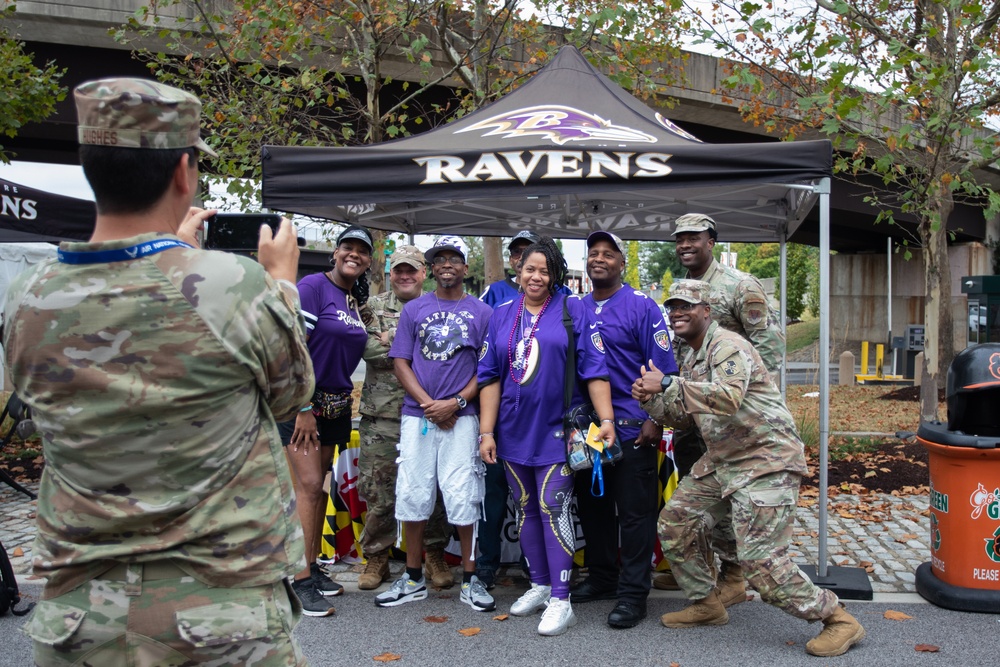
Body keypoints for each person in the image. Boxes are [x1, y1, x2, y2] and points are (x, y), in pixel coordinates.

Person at [4, 78, 313, 665]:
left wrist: (161, 255)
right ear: (183, 171)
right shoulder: (231, 286)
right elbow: (286, 395)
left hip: (80, 620)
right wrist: (282, 287)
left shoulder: (28, 297)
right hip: (219, 616)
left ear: (91, 165)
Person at [632, 280, 865, 658]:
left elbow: (727, 397)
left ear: (707, 311)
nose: (678, 312)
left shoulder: (728, 346)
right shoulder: (690, 356)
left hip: (766, 459)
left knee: (762, 564)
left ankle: (837, 619)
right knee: (675, 522)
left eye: (687, 306)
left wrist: (671, 382)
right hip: (725, 459)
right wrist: (651, 401)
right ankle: (706, 604)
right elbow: (685, 418)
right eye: (673, 306)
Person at [478, 236, 615, 636]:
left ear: (555, 274)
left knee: (553, 506)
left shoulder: (573, 310)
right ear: (517, 272)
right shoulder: (501, 314)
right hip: (512, 431)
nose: (536, 276)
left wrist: (606, 419)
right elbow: (488, 377)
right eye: (529, 269)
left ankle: (561, 598)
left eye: (545, 270)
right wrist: (487, 431)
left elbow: (596, 369)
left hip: (558, 430)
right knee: (525, 508)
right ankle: (539, 584)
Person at [653, 212, 786, 600]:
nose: (685, 245)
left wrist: (747, 411)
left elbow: (769, 348)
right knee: (696, 497)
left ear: (712, 241)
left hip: (732, 417)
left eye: (693, 237)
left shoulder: (739, 286)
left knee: (729, 497)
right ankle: (700, 569)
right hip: (693, 414)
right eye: (679, 239)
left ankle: (732, 576)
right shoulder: (682, 289)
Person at [377, 236, 495, 612]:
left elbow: (486, 368)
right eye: (439, 259)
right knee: (413, 494)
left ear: (465, 267)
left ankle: (471, 580)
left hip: (462, 419)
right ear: (432, 267)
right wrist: (430, 404)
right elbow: (400, 361)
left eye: (454, 259)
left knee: (464, 496)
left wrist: (456, 402)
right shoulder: (415, 309)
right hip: (419, 417)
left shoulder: (481, 313)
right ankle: (412, 578)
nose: (447, 265)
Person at [569, 231, 678, 629]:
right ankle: (602, 579)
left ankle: (633, 594)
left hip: (634, 427)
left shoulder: (642, 307)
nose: (599, 259)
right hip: (588, 430)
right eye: (593, 254)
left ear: (621, 263)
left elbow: (664, 369)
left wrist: (656, 419)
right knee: (593, 508)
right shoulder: (574, 307)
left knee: (634, 514)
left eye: (608, 254)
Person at [280, 224, 374, 615]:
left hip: (336, 405)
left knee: (320, 488)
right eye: (347, 248)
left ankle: (313, 567)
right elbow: (292, 347)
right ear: (335, 253)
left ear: (368, 260)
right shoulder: (313, 287)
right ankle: (298, 581)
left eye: (361, 251)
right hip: (304, 404)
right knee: (307, 488)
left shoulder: (352, 299)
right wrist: (302, 407)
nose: (354, 254)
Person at [356, 245, 453, 590]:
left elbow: (447, 354)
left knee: (434, 489)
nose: (405, 276)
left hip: (429, 413)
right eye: (399, 270)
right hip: (382, 417)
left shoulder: (440, 306)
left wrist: (393, 338)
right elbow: (367, 350)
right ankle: (377, 558)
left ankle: (433, 555)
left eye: (411, 270)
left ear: (423, 273)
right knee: (380, 490)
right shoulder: (372, 307)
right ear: (390, 274)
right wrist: (412, 343)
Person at [476, 229, 537, 588]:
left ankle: (536, 565)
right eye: (516, 253)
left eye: (529, 251)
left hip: (540, 422)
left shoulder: (559, 298)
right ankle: (486, 563)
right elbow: (485, 359)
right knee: (494, 494)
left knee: (533, 498)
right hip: (501, 418)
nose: (521, 257)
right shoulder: (496, 295)